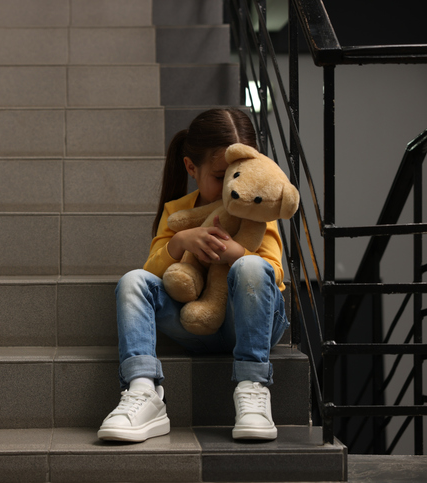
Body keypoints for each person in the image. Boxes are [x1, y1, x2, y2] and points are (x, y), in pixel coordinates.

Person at [97, 108, 289, 443]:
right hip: (192, 320)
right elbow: (152, 271)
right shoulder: (178, 211)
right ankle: (144, 390)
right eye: (220, 176)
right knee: (131, 282)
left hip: (250, 323)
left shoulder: (257, 207)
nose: (232, 187)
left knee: (252, 266)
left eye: (239, 173)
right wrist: (179, 243)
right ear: (191, 168)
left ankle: (253, 387)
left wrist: (234, 254)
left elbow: (273, 273)